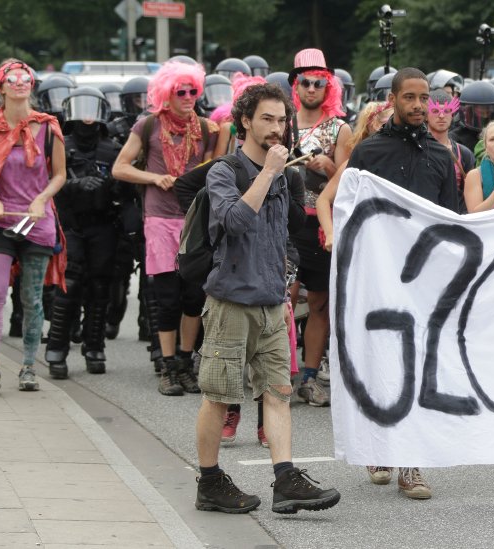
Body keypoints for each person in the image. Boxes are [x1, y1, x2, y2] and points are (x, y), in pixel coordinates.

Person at [194, 82, 340, 514]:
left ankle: (286, 480)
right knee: (220, 396)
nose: (277, 129)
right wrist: (267, 174)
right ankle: (209, 482)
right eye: (267, 119)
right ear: (245, 121)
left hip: (271, 302)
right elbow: (235, 222)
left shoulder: (288, 177)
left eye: (282, 120)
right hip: (229, 301)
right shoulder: (224, 171)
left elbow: (289, 237)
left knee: (277, 392)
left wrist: (285, 282)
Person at [346, 67, 458, 499]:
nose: (417, 106)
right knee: (380, 360)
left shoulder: (441, 156)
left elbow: (451, 220)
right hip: (378, 277)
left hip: (425, 279)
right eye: (408, 97)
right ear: (392, 99)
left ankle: (412, 465)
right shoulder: (368, 153)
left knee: (420, 365)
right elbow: (350, 210)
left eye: (423, 98)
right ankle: (378, 446)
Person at [112, 61, 219, 396]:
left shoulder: (205, 127)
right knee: (166, 297)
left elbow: (215, 168)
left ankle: (186, 362)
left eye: (193, 91)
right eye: (180, 91)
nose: (188, 97)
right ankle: (168, 366)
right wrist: (154, 178)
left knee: (194, 296)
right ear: (166, 95)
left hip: (194, 220)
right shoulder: (148, 126)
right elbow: (119, 168)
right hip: (158, 220)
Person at [0, 59, 66, 392]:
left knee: (32, 298)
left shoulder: (49, 127)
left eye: (26, 78)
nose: (20, 83)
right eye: (13, 78)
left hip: (36, 222)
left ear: (32, 85)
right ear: (1, 87)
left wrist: (41, 199)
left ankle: (28, 366)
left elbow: (60, 174)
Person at [288, 48, 353, 407]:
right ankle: (278, 375)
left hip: (320, 224)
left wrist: (328, 166)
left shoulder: (340, 128)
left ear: (328, 86)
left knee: (319, 303)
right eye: (305, 82)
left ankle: (309, 378)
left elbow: (348, 180)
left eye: (319, 82)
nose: (311, 88)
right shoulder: (279, 121)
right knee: (282, 300)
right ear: (295, 85)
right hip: (285, 220)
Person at [44, 87, 122, 379]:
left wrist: (113, 187)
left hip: (103, 224)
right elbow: (45, 181)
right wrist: (73, 185)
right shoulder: (60, 143)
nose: (87, 116)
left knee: (101, 286)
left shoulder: (111, 148)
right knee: (70, 284)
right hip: (71, 225)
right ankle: (57, 348)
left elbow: (123, 186)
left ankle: (94, 346)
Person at [315, 100, 394, 252]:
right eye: (390, 122)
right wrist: (331, 234)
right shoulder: (355, 162)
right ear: (374, 125)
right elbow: (323, 200)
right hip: (362, 242)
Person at [426, 90, 475, 209]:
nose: (441, 116)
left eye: (447, 111)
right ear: (426, 115)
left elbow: (470, 195)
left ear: (452, 114)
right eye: (435, 111)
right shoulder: (416, 148)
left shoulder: (464, 154)